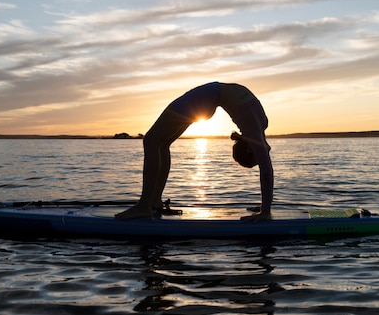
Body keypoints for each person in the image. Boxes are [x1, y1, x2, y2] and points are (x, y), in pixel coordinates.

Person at [115, 82, 273, 221]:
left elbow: (265, 158)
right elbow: (266, 169)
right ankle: (150, 203)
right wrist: (265, 211)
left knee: (155, 142)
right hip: (208, 97)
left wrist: (264, 208)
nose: (261, 156)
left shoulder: (258, 128)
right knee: (156, 142)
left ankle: (148, 203)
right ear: (247, 148)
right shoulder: (255, 132)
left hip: (208, 97)